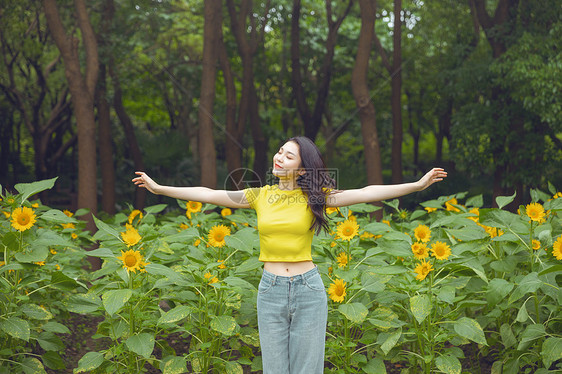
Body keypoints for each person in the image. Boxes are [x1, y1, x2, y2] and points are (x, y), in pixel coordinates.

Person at [132, 136, 447, 374]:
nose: (279, 157)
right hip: (270, 291)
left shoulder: (317, 198)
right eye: (279, 151)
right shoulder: (259, 196)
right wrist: (160, 189)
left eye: (289, 155)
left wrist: (417, 186)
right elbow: (208, 193)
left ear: (303, 167)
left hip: (309, 290)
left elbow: (367, 192)